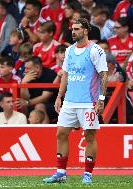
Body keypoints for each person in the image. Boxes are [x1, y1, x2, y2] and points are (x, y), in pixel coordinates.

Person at [43, 18, 108, 184]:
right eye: (72, 29)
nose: (73, 32)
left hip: (88, 102)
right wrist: (59, 96)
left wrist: (101, 99)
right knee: (61, 134)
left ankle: (87, 174)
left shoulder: (96, 50)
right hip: (70, 101)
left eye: (77, 29)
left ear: (86, 30)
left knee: (89, 136)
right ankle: (61, 172)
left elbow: (103, 75)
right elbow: (65, 75)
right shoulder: (69, 50)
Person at [16, 56, 58, 124]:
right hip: (32, 103)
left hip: (53, 105)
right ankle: (24, 131)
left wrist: (27, 103)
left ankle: (44, 133)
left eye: (28, 68)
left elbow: (45, 98)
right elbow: (25, 98)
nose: (25, 71)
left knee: (39, 106)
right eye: (25, 68)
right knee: (21, 105)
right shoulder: (26, 76)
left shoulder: (50, 74)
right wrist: (24, 84)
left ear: (37, 68)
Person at [0, 56, 21, 124]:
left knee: (22, 105)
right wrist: (3, 104)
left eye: (2, 67)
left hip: (13, 104)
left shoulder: (17, 80)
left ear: (10, 69)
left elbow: (18, 98)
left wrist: (9, 104)